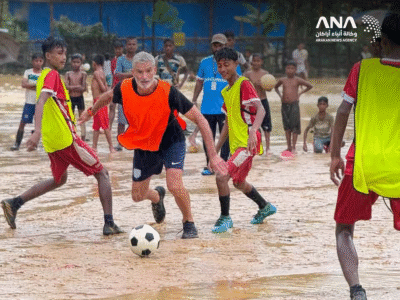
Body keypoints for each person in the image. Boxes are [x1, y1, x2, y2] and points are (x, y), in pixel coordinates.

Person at [78, 52, 228, 239]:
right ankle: (157, 197)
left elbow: (201, 120)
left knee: (174, 184)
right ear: (132, 72)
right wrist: (90, 112)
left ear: (154, 70)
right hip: (144, 142)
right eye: (139, 72)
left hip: (171, 140)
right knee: (137, 196)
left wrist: (213, 155)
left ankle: (188, 222)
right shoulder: (124, 88)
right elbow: (107, 97)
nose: (144, 77)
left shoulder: (168, 91)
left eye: (148, 71)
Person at [0, 36, 122, 236]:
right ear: (48, 56)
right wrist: (36, 131)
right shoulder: (52, 76)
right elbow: (40, 101)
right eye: (59, 53)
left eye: (64, 52)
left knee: (59, 180)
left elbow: (54, 107)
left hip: (53, 141)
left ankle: (14, 203)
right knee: (103, 173)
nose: (63, 56)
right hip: (65, 140)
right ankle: (109, 223)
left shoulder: (46, 77)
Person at [330, 13, 400, 300]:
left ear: (382, 41)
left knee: (344, 228)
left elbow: (343, 113)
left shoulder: (362, 69)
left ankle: (357, 290)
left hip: (361, 163)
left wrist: (334, 154)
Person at [210, 48, 277, 233]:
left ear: (236, 64)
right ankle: (265, 207)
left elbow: (261, 110)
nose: (223, 69)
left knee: (222, 176)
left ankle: (225, 218)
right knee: (238, 182)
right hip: (237, 145)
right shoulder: (226, 90)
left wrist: (253, 131)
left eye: (227, 65)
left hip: (248, 143)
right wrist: (214, 152)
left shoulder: (244, 83)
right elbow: (227, 124)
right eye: (220, 65)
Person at [189, 33, 241, 175]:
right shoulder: (204, 62)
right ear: (212, 46)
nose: (217, 48)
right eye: (215, 45)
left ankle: (222, 165)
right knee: (208, 137)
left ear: (225, 46)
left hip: (225, 107)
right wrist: (194, 100)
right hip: (207, 107)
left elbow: (238, 84)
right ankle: (210, 165)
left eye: (220, 45)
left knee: (225, 138)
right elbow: (199, 82)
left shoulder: (232, 63)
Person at [274, 61, 313, 153]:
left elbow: (310, 86)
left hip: (294, 104)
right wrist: (280, 96)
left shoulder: (297, 80)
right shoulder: (282, 80)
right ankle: (289, 147)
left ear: (295, 70)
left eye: (292, 68)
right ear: (285, 69)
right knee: (287, 127)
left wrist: (300, 93)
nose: (290, 70)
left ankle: (294, 147)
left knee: (295, 127)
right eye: (288, 68)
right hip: (284, 105)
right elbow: (275, 87)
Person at [10, 53, 44, 151]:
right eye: (36, 61)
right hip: (29, 102)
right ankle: (17, 144)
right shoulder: (28, 72)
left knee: (39, 124)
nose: (38, 63)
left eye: (40, 61)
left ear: (43, 62)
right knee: (22, 122)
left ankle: (34, 145)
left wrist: (31, 85)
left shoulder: (44, 73)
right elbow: (23, 84)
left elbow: (44, 87)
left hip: (40, 103)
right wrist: (37, 86)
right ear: (32, 61)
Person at [244, 53, 273, 154]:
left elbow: (270, 89)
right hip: (252, 102)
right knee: (251, 125)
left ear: (262, 62)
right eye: (254, 61)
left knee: (266, 125)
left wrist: (263, 85)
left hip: (263, 100)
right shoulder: (247, 74)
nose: (256, 63)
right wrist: (252, 84)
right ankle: (253, 146)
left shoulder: (265, 74)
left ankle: (268, 147)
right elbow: (243, 87)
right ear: (251, 62)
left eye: (258, 61)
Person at [114, 36, 138, 151]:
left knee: (136, 119)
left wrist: (127, 74)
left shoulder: (139, 60)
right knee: (121, 120)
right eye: (129, 44)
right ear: (126, 46)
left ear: (136, 46)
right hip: (123, 92)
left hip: (138, 93)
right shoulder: (120, 60)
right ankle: (119, 143)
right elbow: (117, 75)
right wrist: (133, 74)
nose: (131, 46)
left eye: (133, 44)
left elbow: (141, 74)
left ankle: (133, 141)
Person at [91, 54, 115, 153]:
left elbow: (104, 89)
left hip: (99, 102)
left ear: (94, 63)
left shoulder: (97, 73)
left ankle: (111, 147)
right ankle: (94, 147)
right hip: (97, 101)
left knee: (105, 126)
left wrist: (98, 79)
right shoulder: (103, 73)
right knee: (96, 126)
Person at [65, 53, 87, 141]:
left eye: (78, 62)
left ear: (81, 63)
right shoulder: (68, 73)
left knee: (82, 117)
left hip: (80, 98)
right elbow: (66, 86)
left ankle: (83, 137)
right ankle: (72, 135)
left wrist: (73, 87)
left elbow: (84, 88)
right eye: (74, 62)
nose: (75, 64)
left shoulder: (83, 74)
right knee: (70, 117)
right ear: (71, 63)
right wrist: (77, 87)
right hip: (71, 98)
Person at [108, 40, 124, 129]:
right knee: (111, 106)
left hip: (124, 86)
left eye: (119, 49)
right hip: (115, 86)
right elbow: (112, 75)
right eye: (116, 49)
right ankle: (109, 126)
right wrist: (111, 87)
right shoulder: (112, 61)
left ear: (122, 49)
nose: (118, 51)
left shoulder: (125, 60)